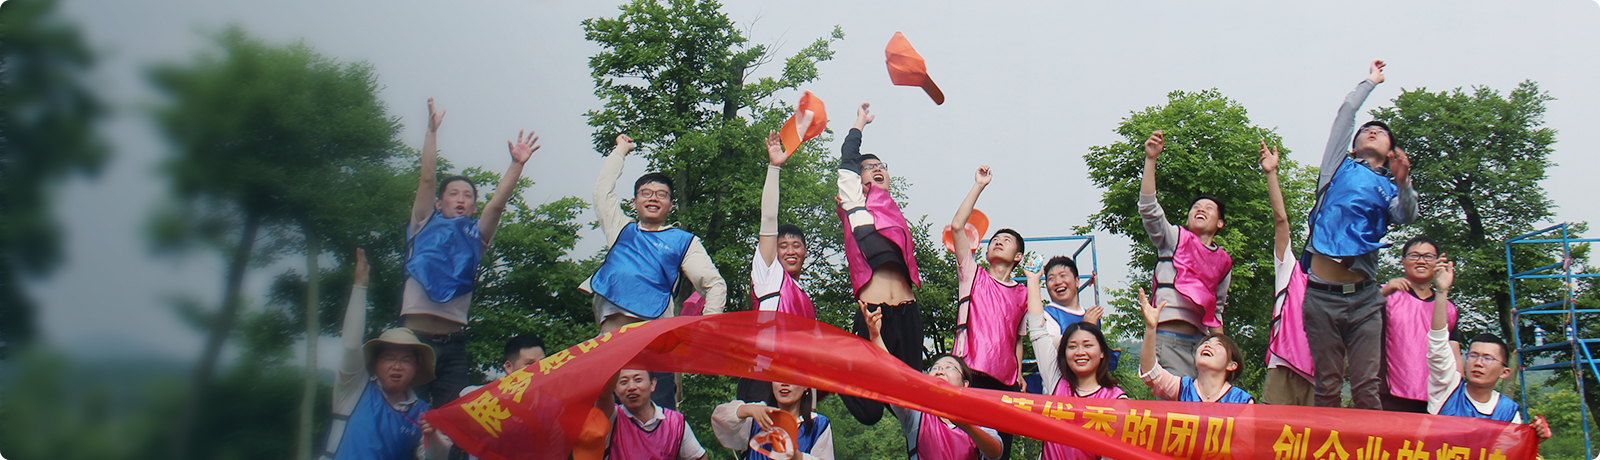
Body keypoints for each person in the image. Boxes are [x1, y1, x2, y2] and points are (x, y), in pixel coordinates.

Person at [402, 99, 540, 405]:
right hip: (414, 340)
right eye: (453, 194)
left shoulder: (475, 236)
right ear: (439, 203)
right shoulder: (422, 223)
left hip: (453, 343)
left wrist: (517, 164)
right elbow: (427, 178)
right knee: (408, 415)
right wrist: (431, 132)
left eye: (467, 196)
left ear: (474, 207)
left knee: (452, 418)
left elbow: (498, 204)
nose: (461, 199)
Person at [1300, 60, 1418, 410]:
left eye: (1381, 132)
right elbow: (1347, 113)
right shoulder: (1337, 167)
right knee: (1327, 385)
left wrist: (1404, 184)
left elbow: (1406, 216)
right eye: (1367, 130)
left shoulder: (1390, 188)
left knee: (1367, 387)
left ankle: (1372, 440)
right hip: (1321, 296)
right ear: (1352, 146)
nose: (1372, 131)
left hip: (1366, 299)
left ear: (1390, 152)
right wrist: (1371, 81)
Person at [581, 133, 728, 410]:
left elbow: (714, 284)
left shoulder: (683, 241)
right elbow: (602, 192)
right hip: (609, 345)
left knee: (657, 424)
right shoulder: (621, 229)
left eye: (662, 195)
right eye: (646, 193)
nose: (653, 198)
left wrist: (708, 325)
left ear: (671, 205)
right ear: (634, 201)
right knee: (601, 423)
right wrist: (620, 151)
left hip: (653, 347)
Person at [834, 103, 923, 425]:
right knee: (870, 413)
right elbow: (847, 160)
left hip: (909, 313)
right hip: (874, 314)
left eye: (880, 165)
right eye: (868, 167)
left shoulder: (896, 215)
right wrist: (860, 122)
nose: (876, 169)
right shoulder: (855, 204)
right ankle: (835, 370)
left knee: (915, 403)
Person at [322, 249, 451, 460]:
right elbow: (351, 346)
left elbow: (435, 458)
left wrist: (433, 435)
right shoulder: (355, 388)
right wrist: (360, 286)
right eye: (389, 358)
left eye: (406, 360)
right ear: (375, 362)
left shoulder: (421, 412)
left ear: (417, 367)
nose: (397, 366)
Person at [1138, 130, 1234, 378]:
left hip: (1201, 344)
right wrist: (1151, 159)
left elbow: (1217, 311)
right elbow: (1149, 209)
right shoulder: (1174, 239)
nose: (1201, 210)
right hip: (1168, 339)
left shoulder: (1223, 261)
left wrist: (1223, 355)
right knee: (1174, 401)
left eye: (1209, 208)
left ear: (1220, 223)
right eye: (1196, 207)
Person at [946, 165, 1026, 459]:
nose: (998, 241)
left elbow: (1018, 338)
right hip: (970, 372)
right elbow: (957, 227)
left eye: (1006, 240)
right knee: (964, 446)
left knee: (999, 451)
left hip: (1005, 383)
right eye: (994, 239)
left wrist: (1019, 373)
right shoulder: (972, 275)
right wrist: (979, 185)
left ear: (1018, 256)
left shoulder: (1023, 293)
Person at [1425, 260, 1553, 440]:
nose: (1478, 363)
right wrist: (1441, 291)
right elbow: (1437, 345)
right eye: (1473, 356)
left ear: (1505, 372)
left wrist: (1536, 438)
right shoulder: (1447, 389)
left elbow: (1511, 450)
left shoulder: (1508, 412)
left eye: (1487, 358)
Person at [738, 120, 820, 403]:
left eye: (796, 246)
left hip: (796, 379)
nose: (790, 251)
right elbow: (769, 217)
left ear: (806, 252)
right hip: (763, 371)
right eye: (782, 246)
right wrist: (774, 169)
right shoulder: (769, 274)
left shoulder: (805, 300)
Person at [863, 303, 1003, 460]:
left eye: (949, 367)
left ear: (965, 384)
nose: (940, 370)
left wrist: (967, 426)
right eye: (935, 368)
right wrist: (875, 336)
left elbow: (996, 452)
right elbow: (892, 375)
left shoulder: (976, 417)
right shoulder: (916, 412)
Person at [1024, 263, 1126, 460]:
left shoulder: (1116, 399)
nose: (1080, 352)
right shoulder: (1055, 382)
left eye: (1088, 345)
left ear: (1102, 352)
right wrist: (1033, 280)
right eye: (1072, 347)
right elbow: (1037, 331)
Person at [1259, 140, 1315, 406]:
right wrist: (1271, 173)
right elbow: (1281, 221)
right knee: (1270, 430)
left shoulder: (1344, 287)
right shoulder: (1291, 272)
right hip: (1283, 365)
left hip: (1323, 374)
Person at [1380, 236, 1458, 413]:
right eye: (1415, 256)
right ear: (1403, 261)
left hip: (1437, 398)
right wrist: (1385, 291)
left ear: (1438, 262)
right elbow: (1357, 313)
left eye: (1428, 257)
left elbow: (1454, 352)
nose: (1421, 261)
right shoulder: (1387, 296)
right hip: (1391, 395)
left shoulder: (1448, 308)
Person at [1137, 289, 1254, 404]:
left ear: (1232, 365)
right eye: (1205, 343)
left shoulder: (1242, 401)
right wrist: (1151, 328)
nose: (1208, 345)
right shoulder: (1183, 389)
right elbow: (1150, 373)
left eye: (1218, 344)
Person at [595, 369, 710, 460]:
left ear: (652, 384)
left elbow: (698, 457)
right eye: (623, 382)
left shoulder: (675, 423)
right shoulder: (612, 417)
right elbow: (603, 396)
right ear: (615, 390)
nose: (631, 387)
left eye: (638, 380)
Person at [711, 382, 834, 460]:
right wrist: (747, 410)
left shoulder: (818, 425)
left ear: (805, 386)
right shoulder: (757, 416)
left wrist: (798, 457)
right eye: (778, 377)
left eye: (791, 378)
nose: (784, 384)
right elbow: (719, 419)